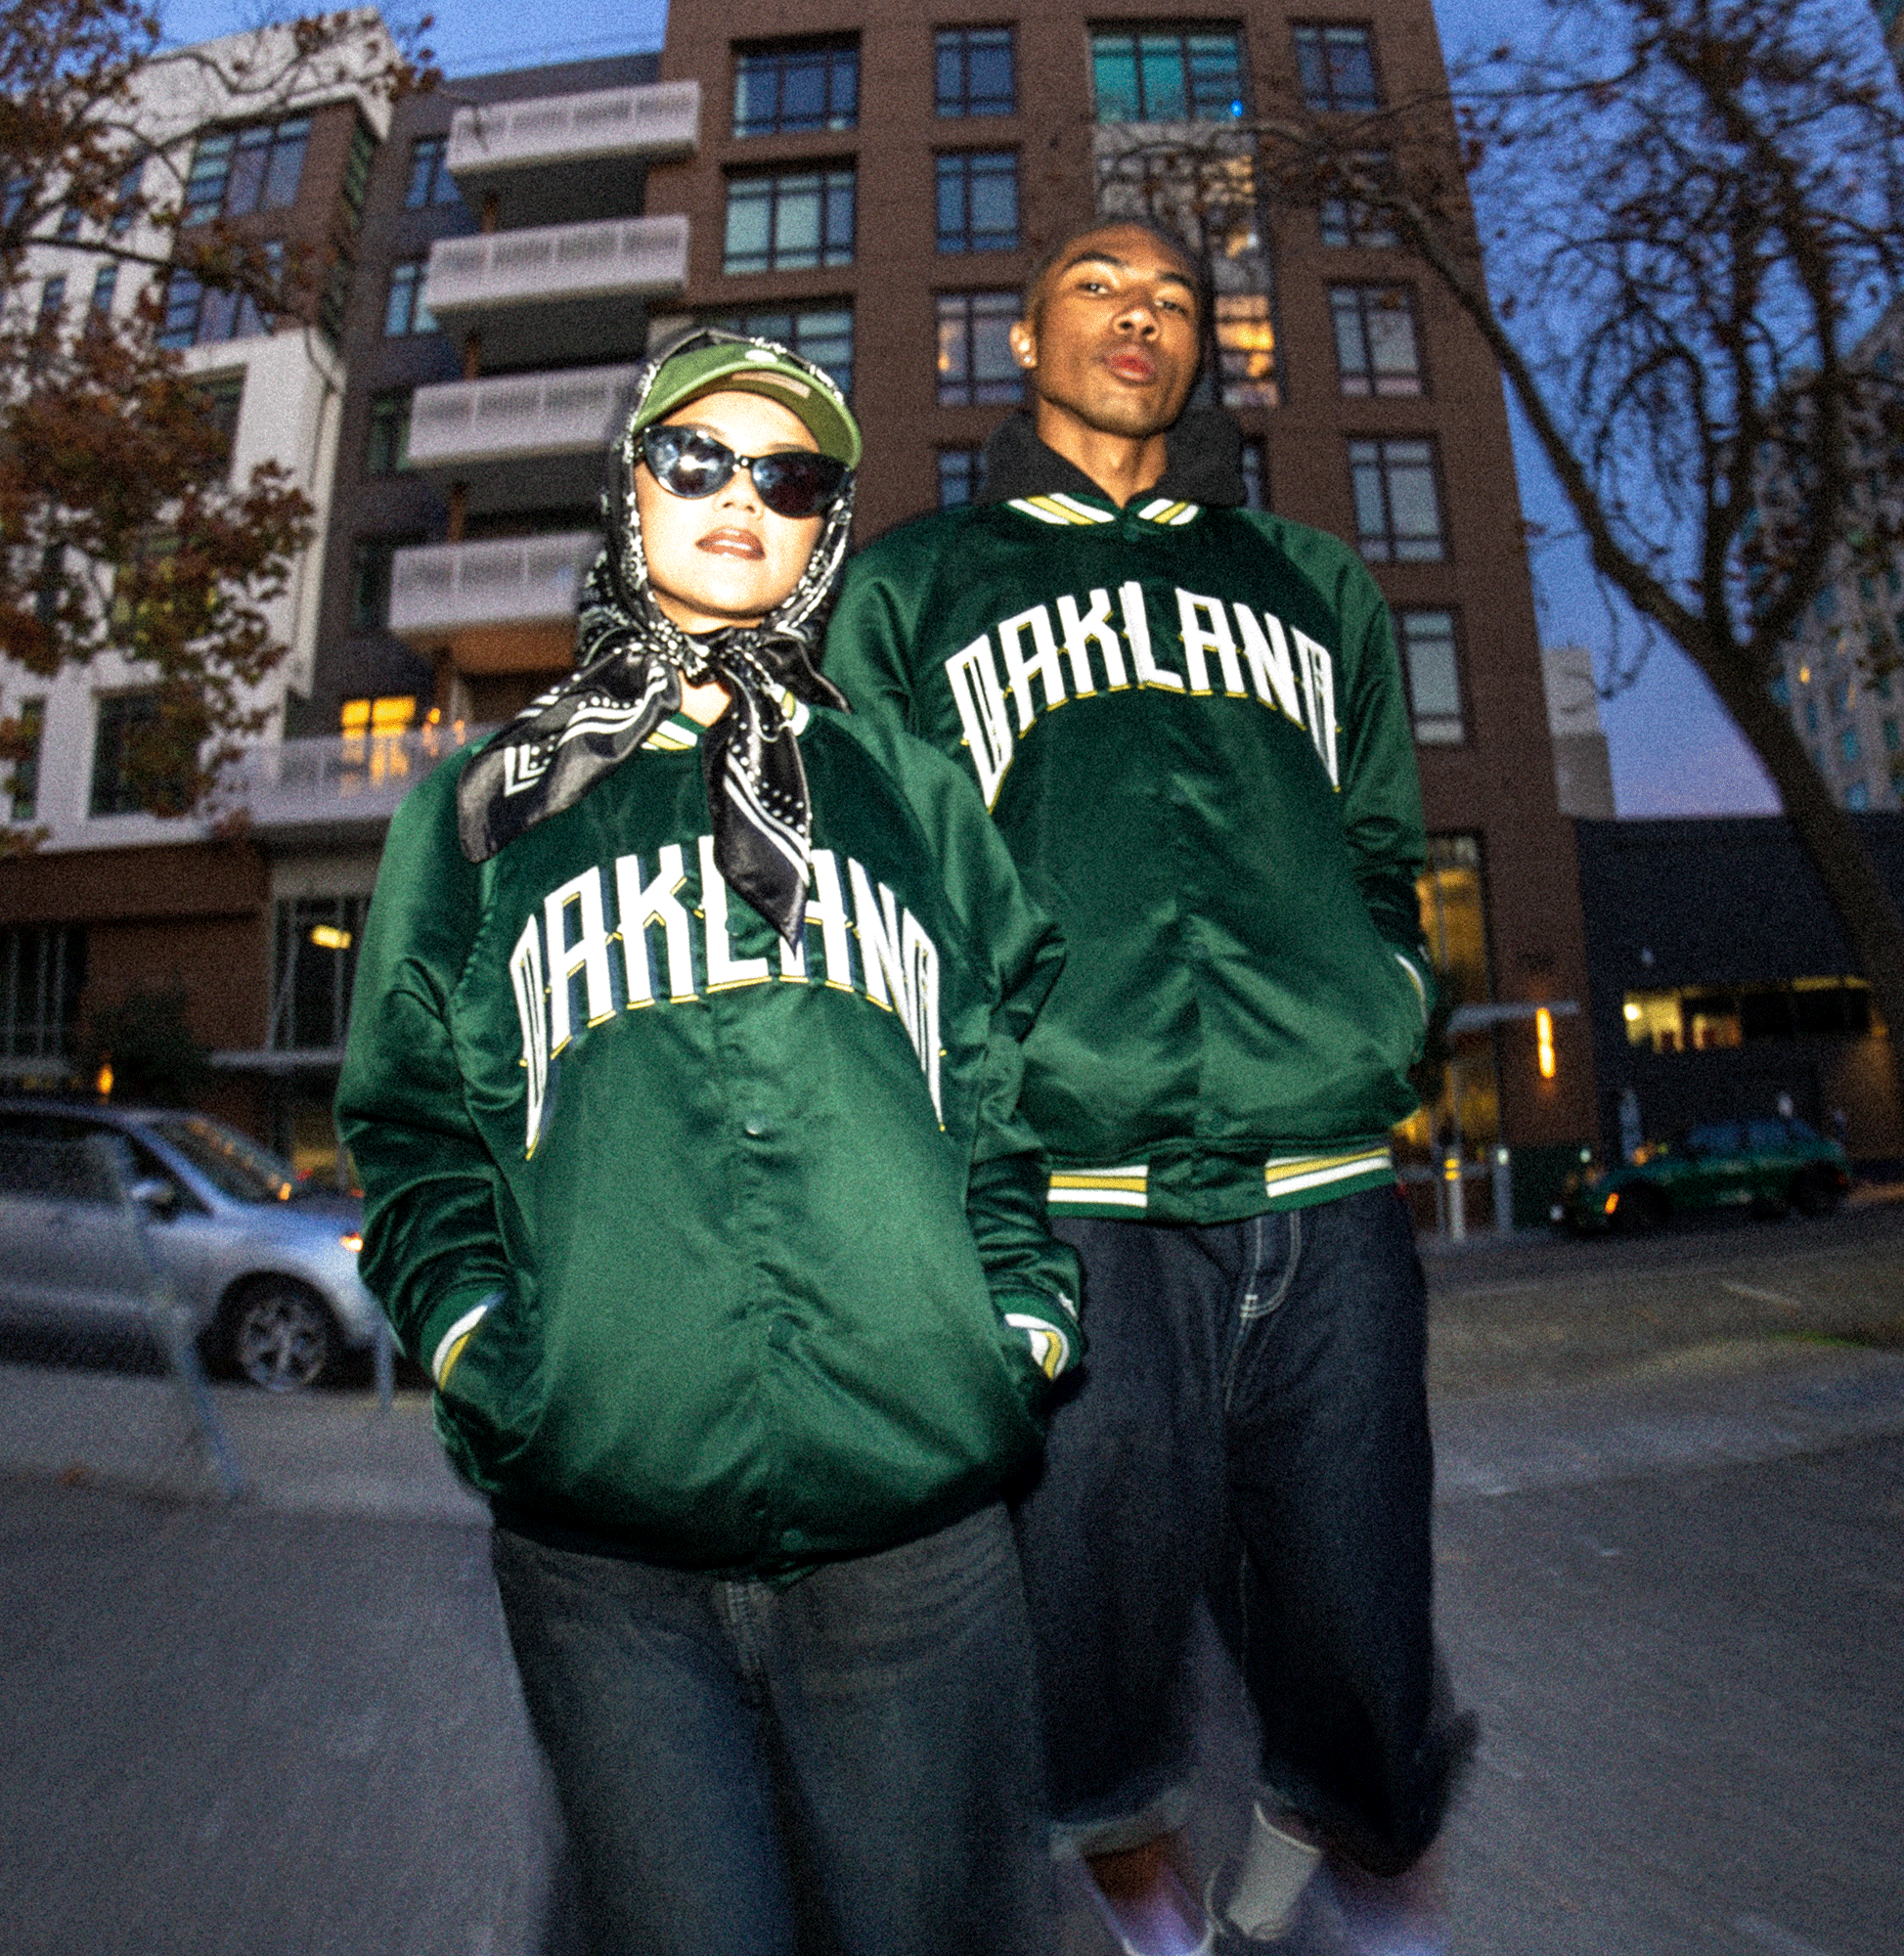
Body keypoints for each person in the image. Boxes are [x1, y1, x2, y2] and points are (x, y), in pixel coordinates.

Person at [335, 329, 1082, 1956]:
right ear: (628, 489)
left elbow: (1001, 1092)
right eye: (697, 459)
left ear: (825, 532)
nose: (742, 497)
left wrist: (1013, 1327)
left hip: (920, 1522)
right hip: (604, 1546)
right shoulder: (477, 809)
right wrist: (483, 1349)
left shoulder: (912, 791)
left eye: (792, 477)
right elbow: (409, 1129)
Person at [822, 224, 1476, 1955]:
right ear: (1023, 334)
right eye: (1103, 286)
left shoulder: (1307, 582)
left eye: (1178, 300)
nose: (1143, 314)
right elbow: (875, 897)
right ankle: (1156, 1922)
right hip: (1077, 1207)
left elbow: (1390, 855)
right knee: (1093, 1639)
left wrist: (1386, 1007)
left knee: (1360, 1621)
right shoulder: (912, 590)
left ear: (1206, 354)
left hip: (1327, 1191)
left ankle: (1378, 1885)